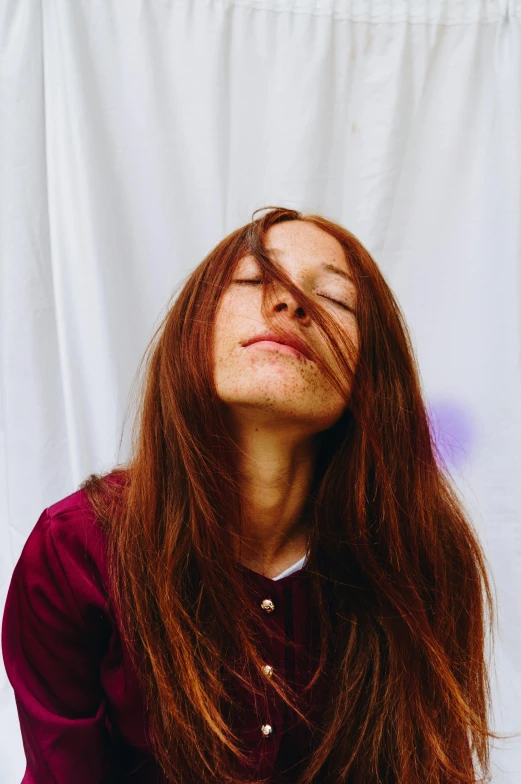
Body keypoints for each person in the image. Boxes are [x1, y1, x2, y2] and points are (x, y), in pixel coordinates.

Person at [1, 206, 503, 783]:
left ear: (371, 371)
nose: (290, 303)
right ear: (197, 326)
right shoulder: (75, 551)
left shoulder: (422, 557)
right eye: (253, 281)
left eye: (335, 299)